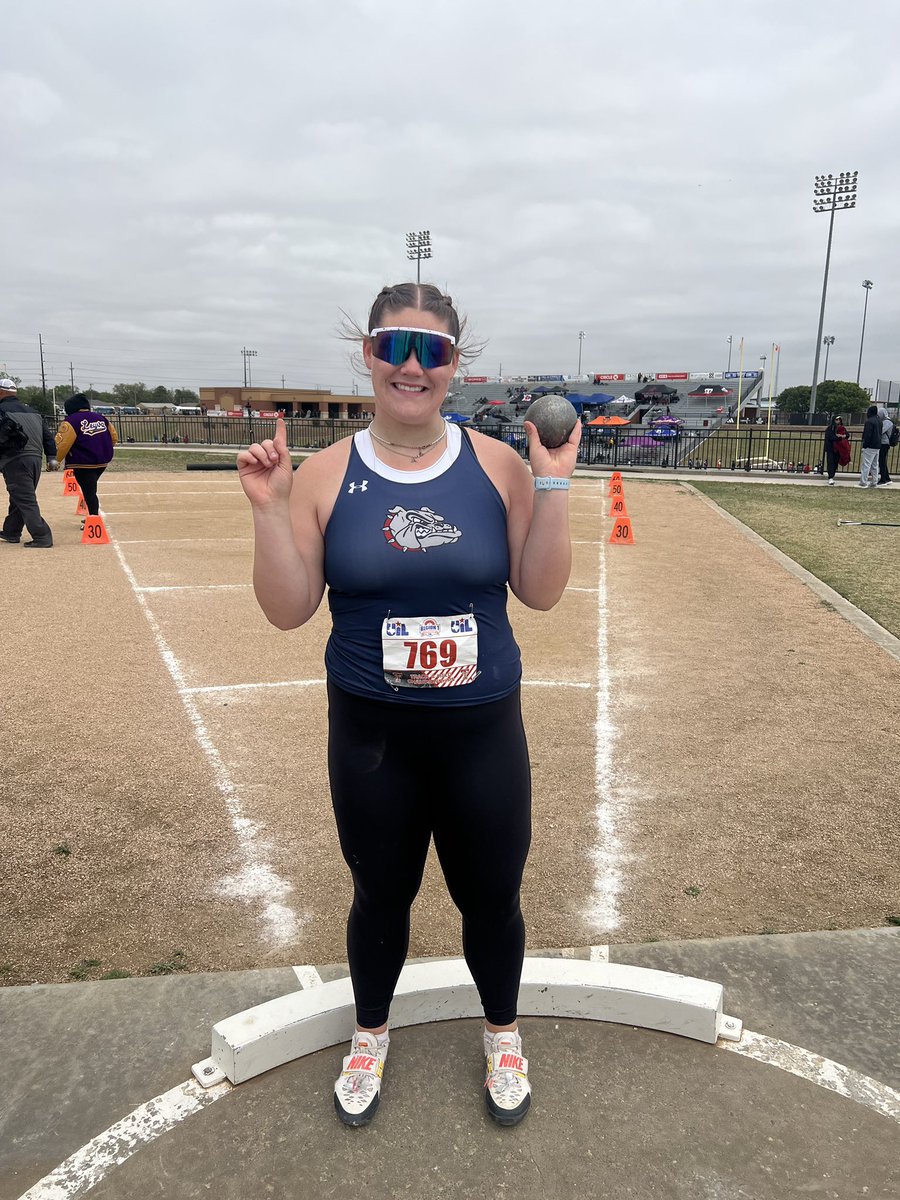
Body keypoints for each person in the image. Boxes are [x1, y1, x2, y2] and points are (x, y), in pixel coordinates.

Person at [237, 282, 579, 1129]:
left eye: (434, 350)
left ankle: (502, 1032)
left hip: (481, 732)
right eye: (395, 346)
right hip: (372, 737)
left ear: (456, 365)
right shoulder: (325, 474)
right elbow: (287, 609)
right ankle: (369, 1032)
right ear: (369, 354)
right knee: (378, 894)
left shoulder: (498, 465)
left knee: (492, 895)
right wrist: (271, 513)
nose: (413, 366)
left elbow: (540, 592)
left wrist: (554, 487)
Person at [0, 377, 59, 547]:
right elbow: (48, 438)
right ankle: (11, 531)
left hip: (15, 460)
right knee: (19, 496)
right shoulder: (33, 412)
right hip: (35, 460)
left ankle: (42, 536)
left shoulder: (2, 410)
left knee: (25, 499)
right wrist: (52, 458)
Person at [55, 395, 118, 525]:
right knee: (90, 489)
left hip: (82, 461)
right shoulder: (101, 418)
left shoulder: (71, 421)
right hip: (102, 461)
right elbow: (114, 437)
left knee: (89, 491)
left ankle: (93, 519)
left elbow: (63, 444)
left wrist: (56, 461)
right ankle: (92, 515)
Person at [823, 415, 850, 484]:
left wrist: (843, 436)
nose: (838, 421)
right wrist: (839, 437)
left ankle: (832, 476)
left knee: (835, 463)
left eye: (839, 419)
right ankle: (830, 477)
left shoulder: (842, 427)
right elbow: (831, 437)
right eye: (836, 419)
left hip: (838, 449)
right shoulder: (830, 428)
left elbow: (847, 435)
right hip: (831, 448)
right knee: (830, 463)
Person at [859, 404, 881, 488]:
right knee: (875, 465)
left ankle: (863, 482)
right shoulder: (879, 421)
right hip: (877, 445)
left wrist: (865, 445)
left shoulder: (869, 421)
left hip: (870, 446)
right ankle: (874, 481)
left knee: (866, 465)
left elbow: (867, 434)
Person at [877, 406, 892, 486]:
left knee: (882, 461)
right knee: (882, 461)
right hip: (883, 443)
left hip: (884, 444)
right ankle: (887, 478)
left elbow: (881, 431)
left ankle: (883, 479)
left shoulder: (887, 422)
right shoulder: (885, 421)